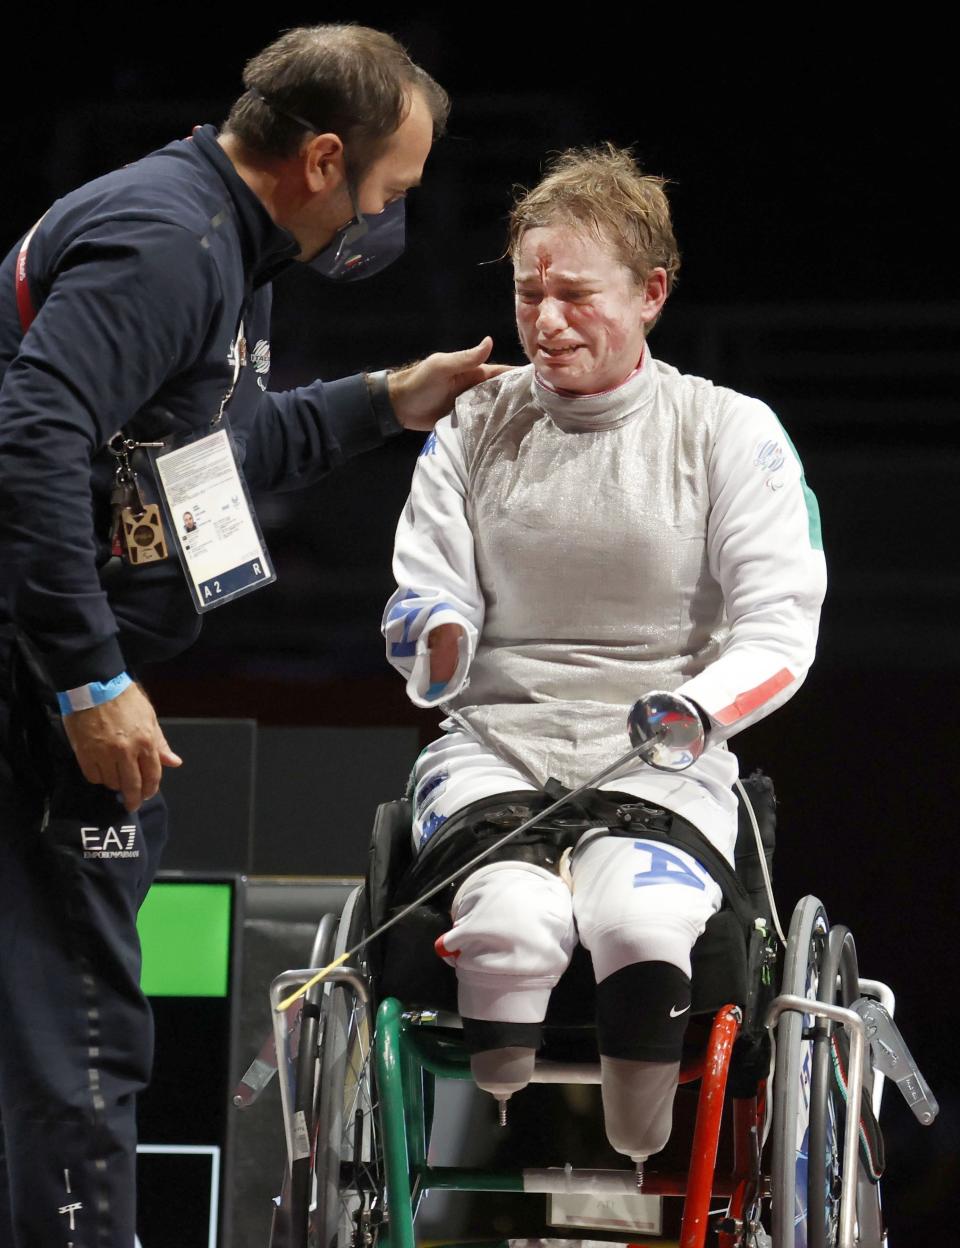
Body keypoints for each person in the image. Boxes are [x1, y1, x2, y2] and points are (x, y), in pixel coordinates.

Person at [0, 24, 508, 1248]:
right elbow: (31, 441)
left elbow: (205, 463)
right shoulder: (170, 246)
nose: (390, 217)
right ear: (325, 158)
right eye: (392, 189)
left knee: (57, 1013)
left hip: (50, 668)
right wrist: (89, 681)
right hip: (36, 681)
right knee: (82, 1020)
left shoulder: (225, 243)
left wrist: (387, 400)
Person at [383, 145, 826, 1168]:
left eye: (576, 294)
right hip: (495, 743)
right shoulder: (473, 426)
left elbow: (778, 627)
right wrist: (442, 635)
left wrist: (695, 714)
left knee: (642, 910)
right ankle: (503, 1093)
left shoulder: (726, 430)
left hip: (664, 750)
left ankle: (641, 1125)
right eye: (529, 292)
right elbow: (422, 591)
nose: (546, 320)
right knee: (508, 922)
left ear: (652, 294)